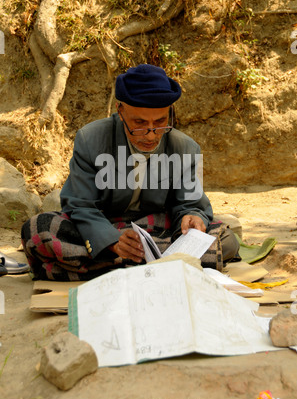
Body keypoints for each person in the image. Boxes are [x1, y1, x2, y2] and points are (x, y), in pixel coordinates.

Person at [21, 64, 239, 281]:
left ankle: (104, 265)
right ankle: (157, 263)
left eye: (161, 122)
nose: (151, 135)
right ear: (120, 110)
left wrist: (192, 217)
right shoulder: (90, 139)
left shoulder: (186, 148)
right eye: (140, 123)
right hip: (103, 226)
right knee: (38, 229)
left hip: (155, 229)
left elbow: (190, 204)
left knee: (226, 240)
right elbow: (80, 204)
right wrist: (111, 240)